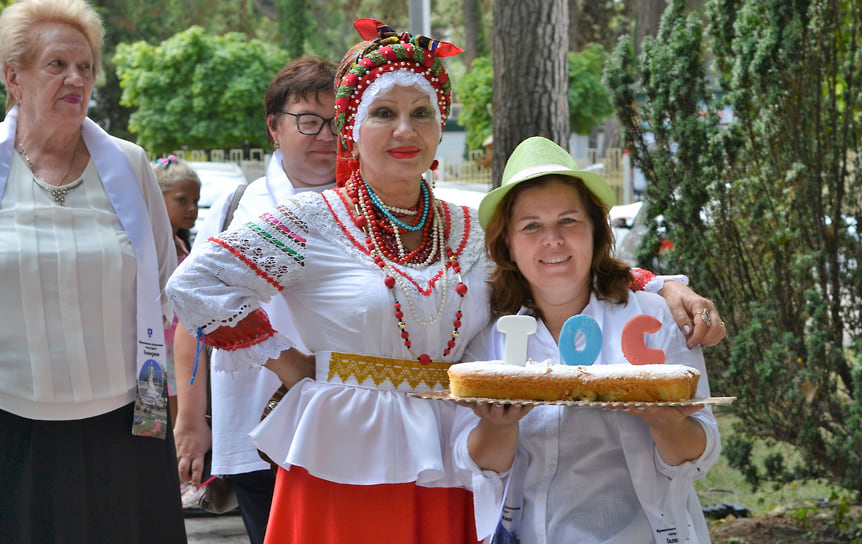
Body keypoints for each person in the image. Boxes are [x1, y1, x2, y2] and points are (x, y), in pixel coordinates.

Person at [166, 18, 724, 544]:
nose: (405, 129)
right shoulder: (308, 221)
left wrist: (666, 287)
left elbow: (559, 254)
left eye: (422, 113)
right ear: (353, 132)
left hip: (461, 446)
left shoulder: (469, 225)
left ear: (439, 129)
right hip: (349, 447)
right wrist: (290, 365)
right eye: (383, 113)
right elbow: (196, 288)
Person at [471, 136, 722, 543]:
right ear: (508, 246)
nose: (552, 238)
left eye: (569, 221)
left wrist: (666, 425)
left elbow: (699, 457)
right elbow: (480, 470)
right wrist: (499, 429)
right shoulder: (491, 339)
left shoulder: (656, 317)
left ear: (595, 233)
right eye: (531, 226)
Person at [0, 0, 185, 542]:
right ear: (14, 77)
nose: (76, 79)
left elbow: (163, 283)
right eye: (56, 65)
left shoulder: (129, 164)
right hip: (13, 425)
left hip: (127, 424)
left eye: (85, 67)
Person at [171, 56, 339, 543]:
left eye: (339, 121)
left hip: (340, 423)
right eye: (309, 120)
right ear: (274, 128)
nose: (326, 135)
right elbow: (192, 318)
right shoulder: (237, 205)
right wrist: (190, 420)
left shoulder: (366, 205)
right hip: (248, 427)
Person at [155, 154, 201, 430]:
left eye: (195, 201)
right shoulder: (152, 246)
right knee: (163, 425)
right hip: (159, 349)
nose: (192, 209)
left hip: (179, 348)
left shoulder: (178, 244)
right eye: (182, 200)